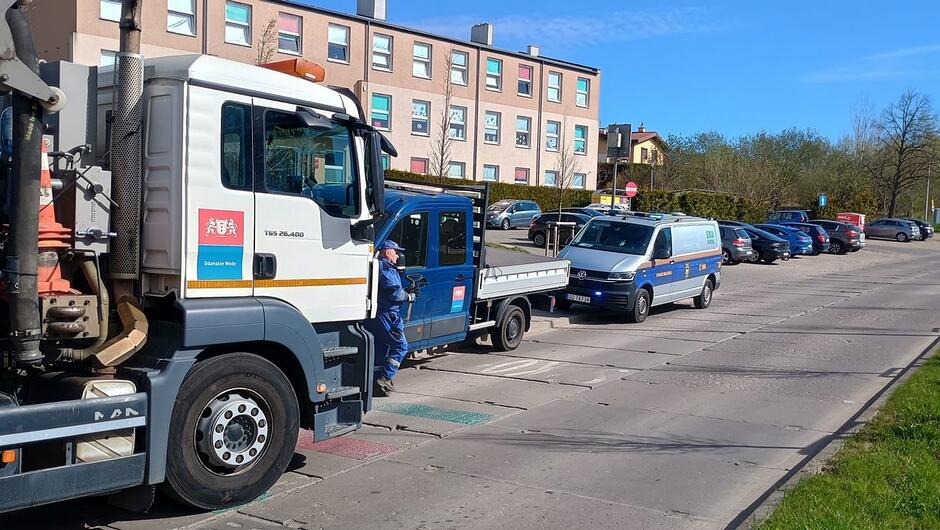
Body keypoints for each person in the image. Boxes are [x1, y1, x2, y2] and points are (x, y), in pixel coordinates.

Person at [366, 240, 415, 395]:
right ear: (388, 253)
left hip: (379, 314)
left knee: (380, 347)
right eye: (396, 252)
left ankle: (375, 382)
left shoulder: (380, 267)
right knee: (400, 346)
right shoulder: (387, 269)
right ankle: (385, 378)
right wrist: (409, 296)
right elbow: (394, 293)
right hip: (388, 315)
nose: (398, 256)